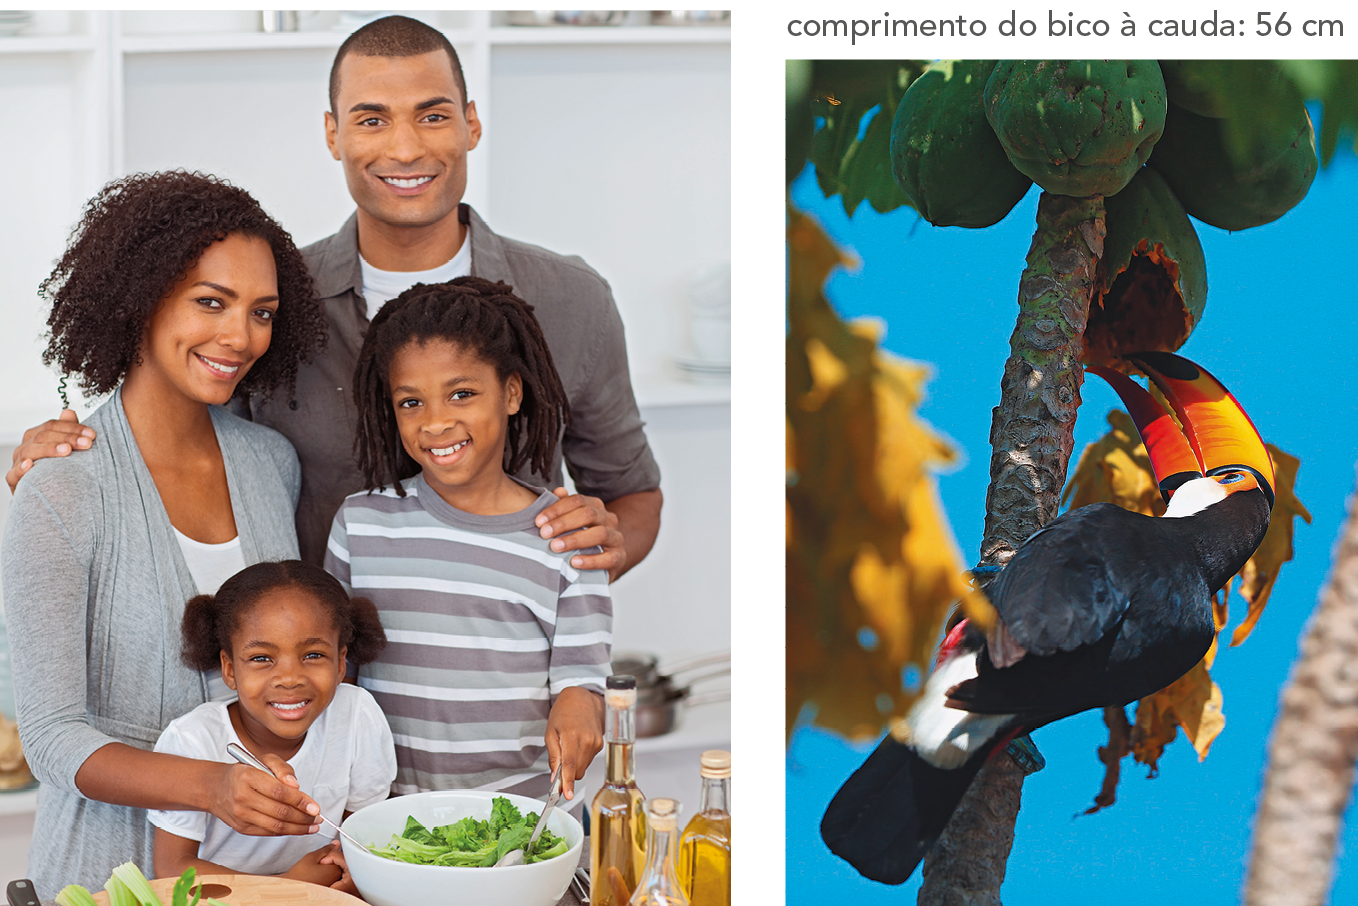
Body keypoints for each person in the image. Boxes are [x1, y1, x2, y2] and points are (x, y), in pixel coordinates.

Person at [9, 15, 663, 581]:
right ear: (333, 135)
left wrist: (597, 550)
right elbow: (170, 438)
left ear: (470, 125)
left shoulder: (571, 300)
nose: (405, 148)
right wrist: (66, 460)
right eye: (372, 120)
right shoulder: (273, 303)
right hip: (316, 700)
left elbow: (632, 495)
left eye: (433, 116)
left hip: (506, 697)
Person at [1, 171, 330, 895]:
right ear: (142, 297)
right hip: (110, 874)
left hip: (262, 876)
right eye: (211, 303)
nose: (240, 336)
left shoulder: (271, 464)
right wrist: (211, 786)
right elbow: (52, 738)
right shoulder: (61, 488)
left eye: (262, 312)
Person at [325, 277, 609, 804]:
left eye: (462, 394)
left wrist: (580, 704)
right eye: (411, 402)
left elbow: (583, 681)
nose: (436, 422)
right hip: (388, 823)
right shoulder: (359, 525)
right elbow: (339, 678)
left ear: (512, 392)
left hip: (523, 822)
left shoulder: (569, 537)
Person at [152, 560, 395, 894]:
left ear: (341, 663)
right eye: (261, 658)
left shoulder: (357, 715)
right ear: (229, 668)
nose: (290, 679)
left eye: (313, 655)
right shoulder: (193, 740)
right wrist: (285, 887)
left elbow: (364, 836)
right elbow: (171, 869)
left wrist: (349, 870)